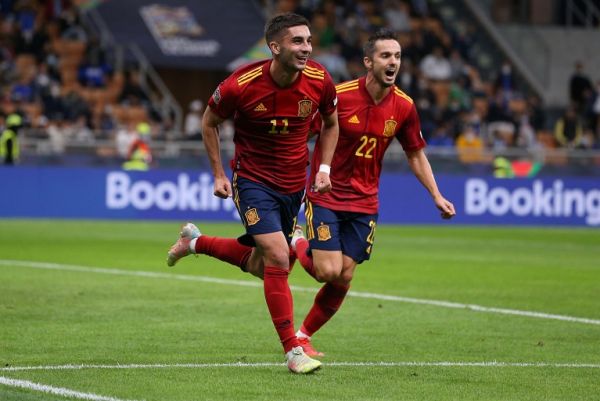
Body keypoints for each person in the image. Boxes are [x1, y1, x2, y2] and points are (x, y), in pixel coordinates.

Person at [165, 13, 339, 374]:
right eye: (297, 41)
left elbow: (331, 122)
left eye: (308, 41)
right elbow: (209, 122)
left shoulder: (320, 80)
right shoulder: (240, 85)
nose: (306, 48)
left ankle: (194, 243)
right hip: (253, 181)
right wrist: (217, 173)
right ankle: (293, 350)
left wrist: (323, 169)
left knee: (270, 265)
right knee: (278, 255)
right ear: (275, 47)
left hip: (294, 184)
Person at [291, 29, 455, 357]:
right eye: (385, 56)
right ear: (369, 62)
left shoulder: (405, 107)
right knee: (327, 271)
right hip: (326, 194)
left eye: (397, 56)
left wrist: (436, 195)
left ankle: (303, 336)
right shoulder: (339, 96)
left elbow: (415, 153)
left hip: (365, 201)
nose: (393, 61)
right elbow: (302, 134)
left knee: (344, 275)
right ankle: (296, 238)